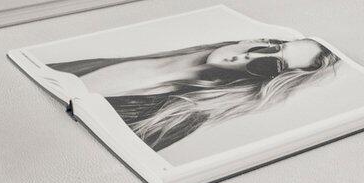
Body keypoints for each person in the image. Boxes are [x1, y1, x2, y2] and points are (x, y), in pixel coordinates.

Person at [50, 37, 340, 152]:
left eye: (271, 65)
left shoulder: (175, 117)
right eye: (271, 46)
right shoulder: (150, 51)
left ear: (266, 80)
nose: (252, 56)